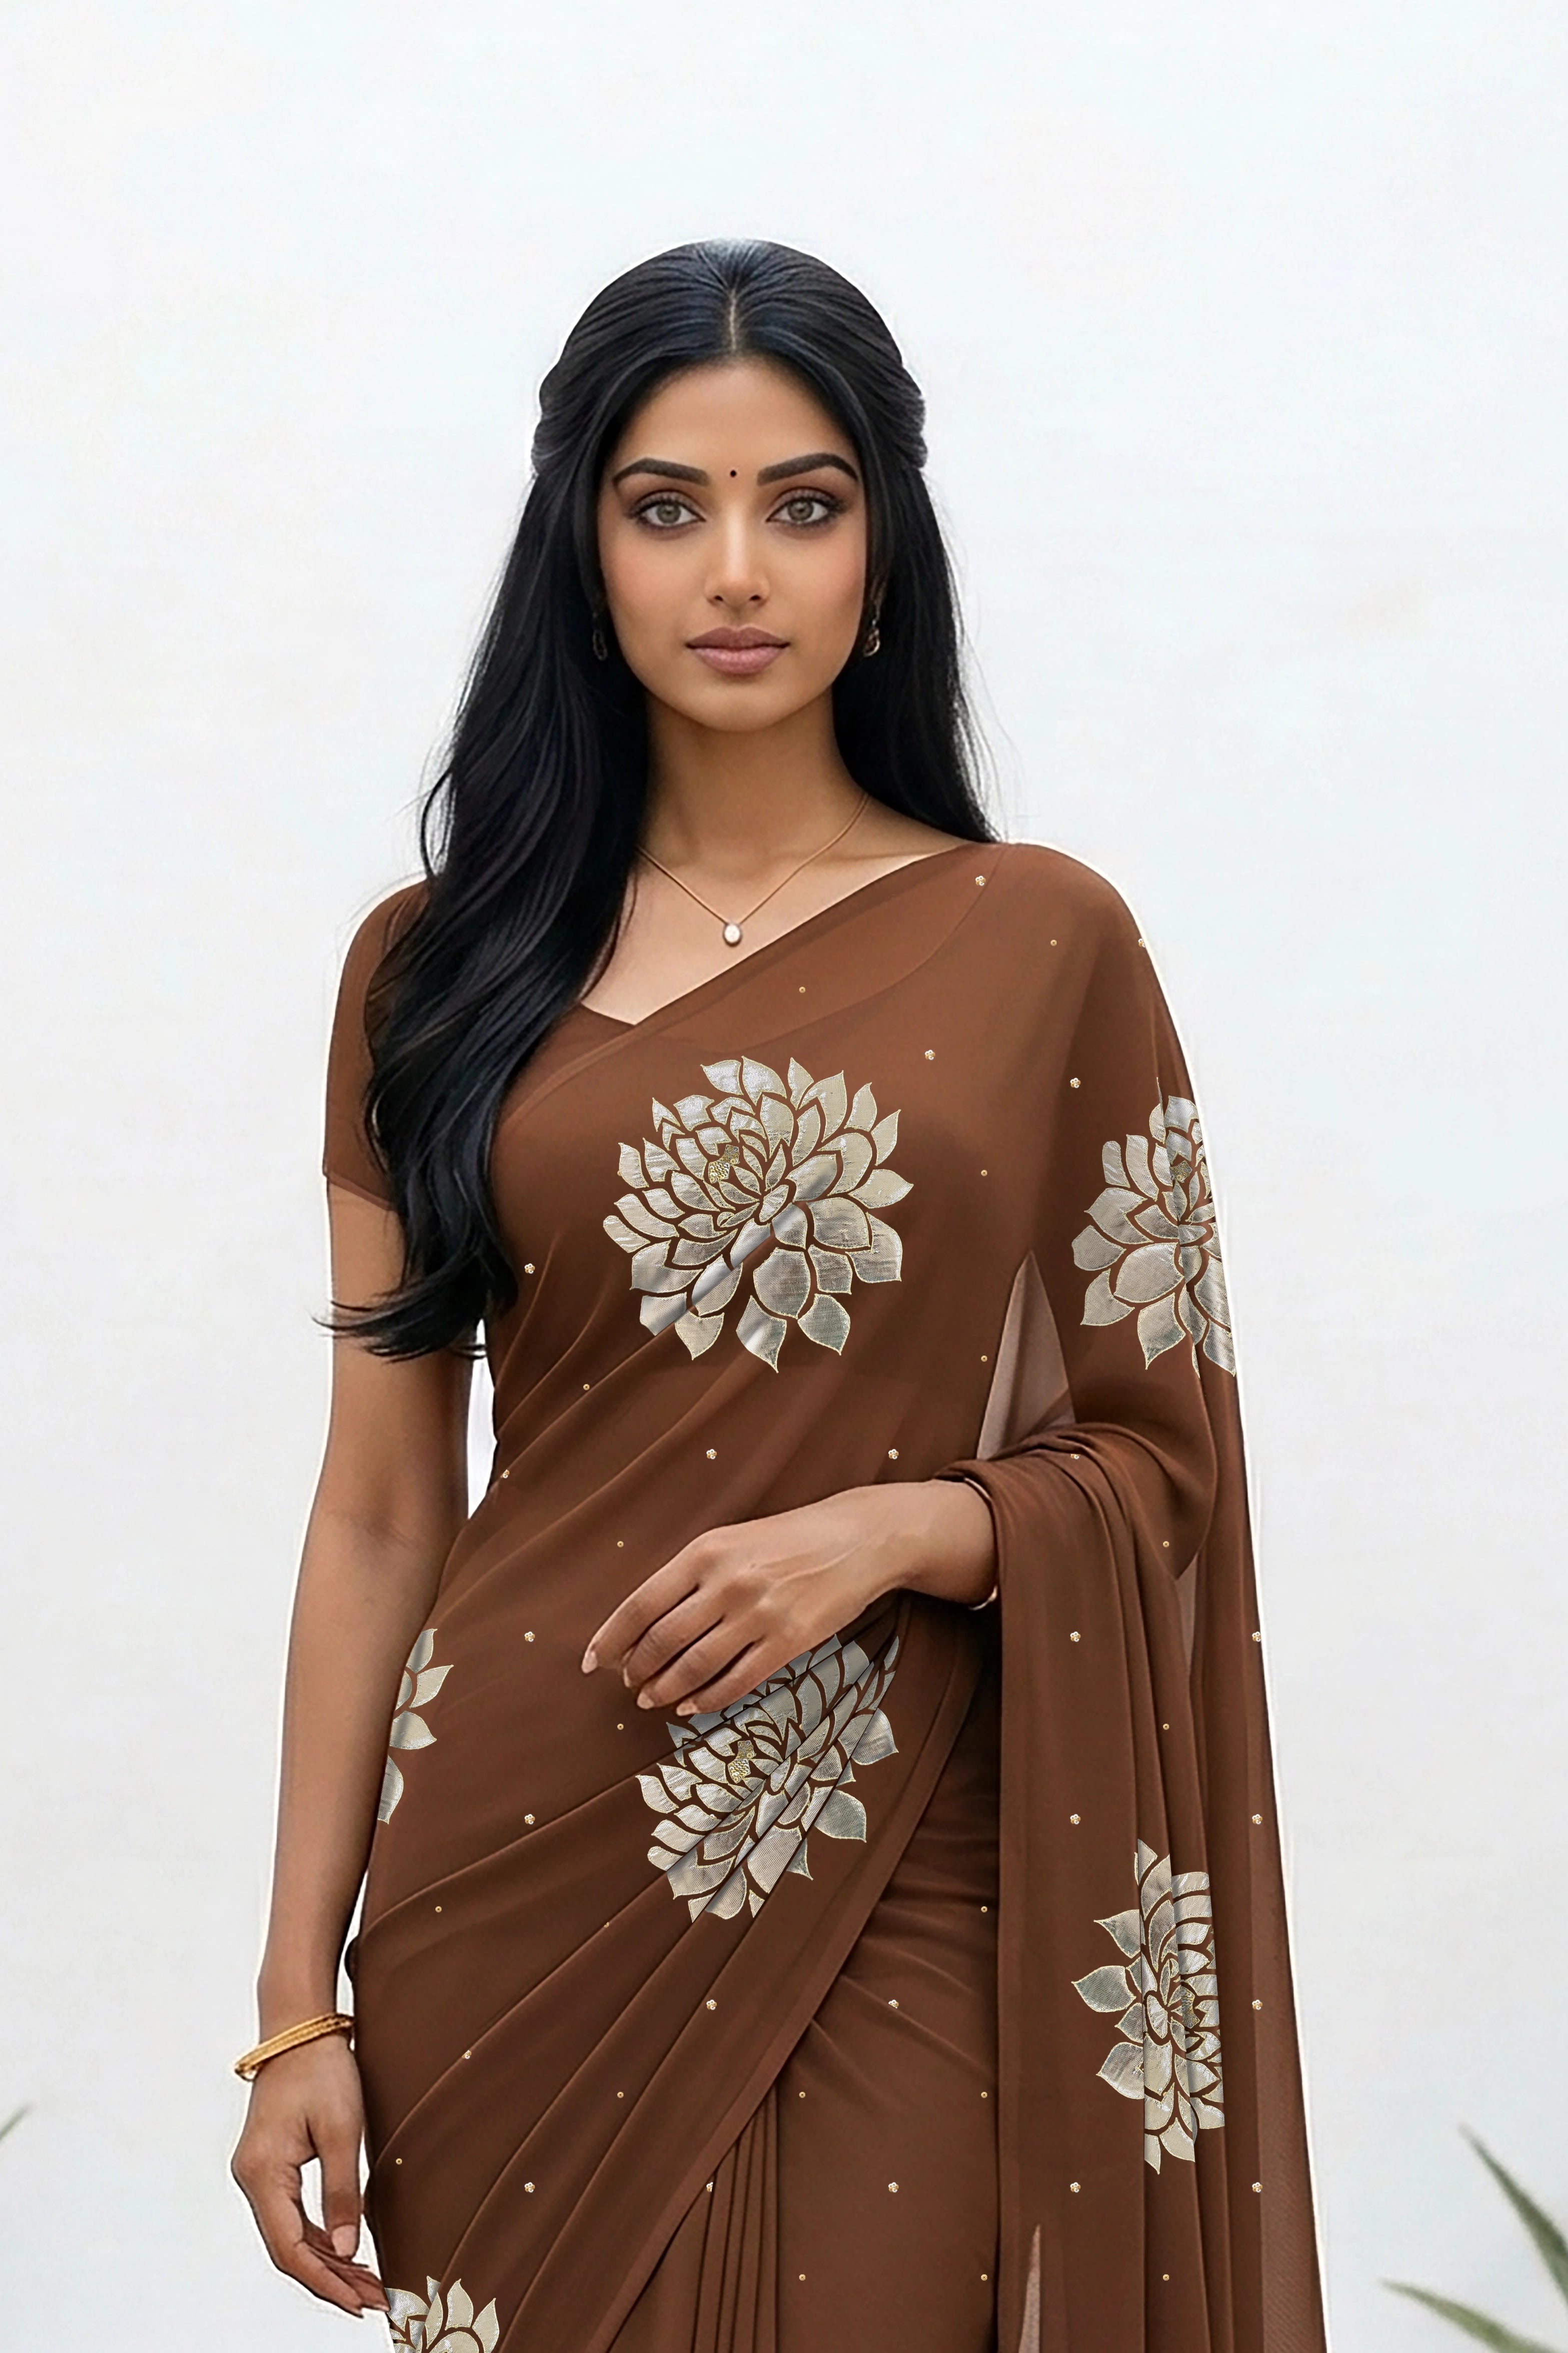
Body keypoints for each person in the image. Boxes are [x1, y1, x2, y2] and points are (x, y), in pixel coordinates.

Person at [230, 239, 1325, 2353]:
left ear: (881, 551)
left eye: (802, 505)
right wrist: (297, 2006)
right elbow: (380, 1505)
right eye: (668, 507)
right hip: (504, 1883)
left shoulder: (1041, 943)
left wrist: (903, 1529)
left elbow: (1164, 1462)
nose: (736, 568)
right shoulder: (433, 971)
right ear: (584, 548)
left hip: (896, 1856)